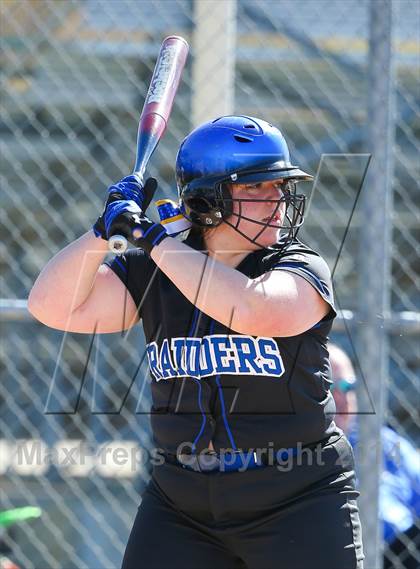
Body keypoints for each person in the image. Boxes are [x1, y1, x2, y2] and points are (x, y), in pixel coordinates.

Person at [28, 115, 364, 568]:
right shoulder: (154, 271)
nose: (277, 200)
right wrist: (102, 230)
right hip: (181, 501)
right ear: (208, 201)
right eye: (255, 187)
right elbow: (51, 305)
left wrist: (151, 239)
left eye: (279, 186)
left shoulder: (298, 265)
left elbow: (253, 309)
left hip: (298, 496)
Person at [329, 343, 419, 569]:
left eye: (348, 386)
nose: (342, 397)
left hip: (404, 547)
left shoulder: (384, 441)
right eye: (329, 387)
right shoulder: (300, 451)